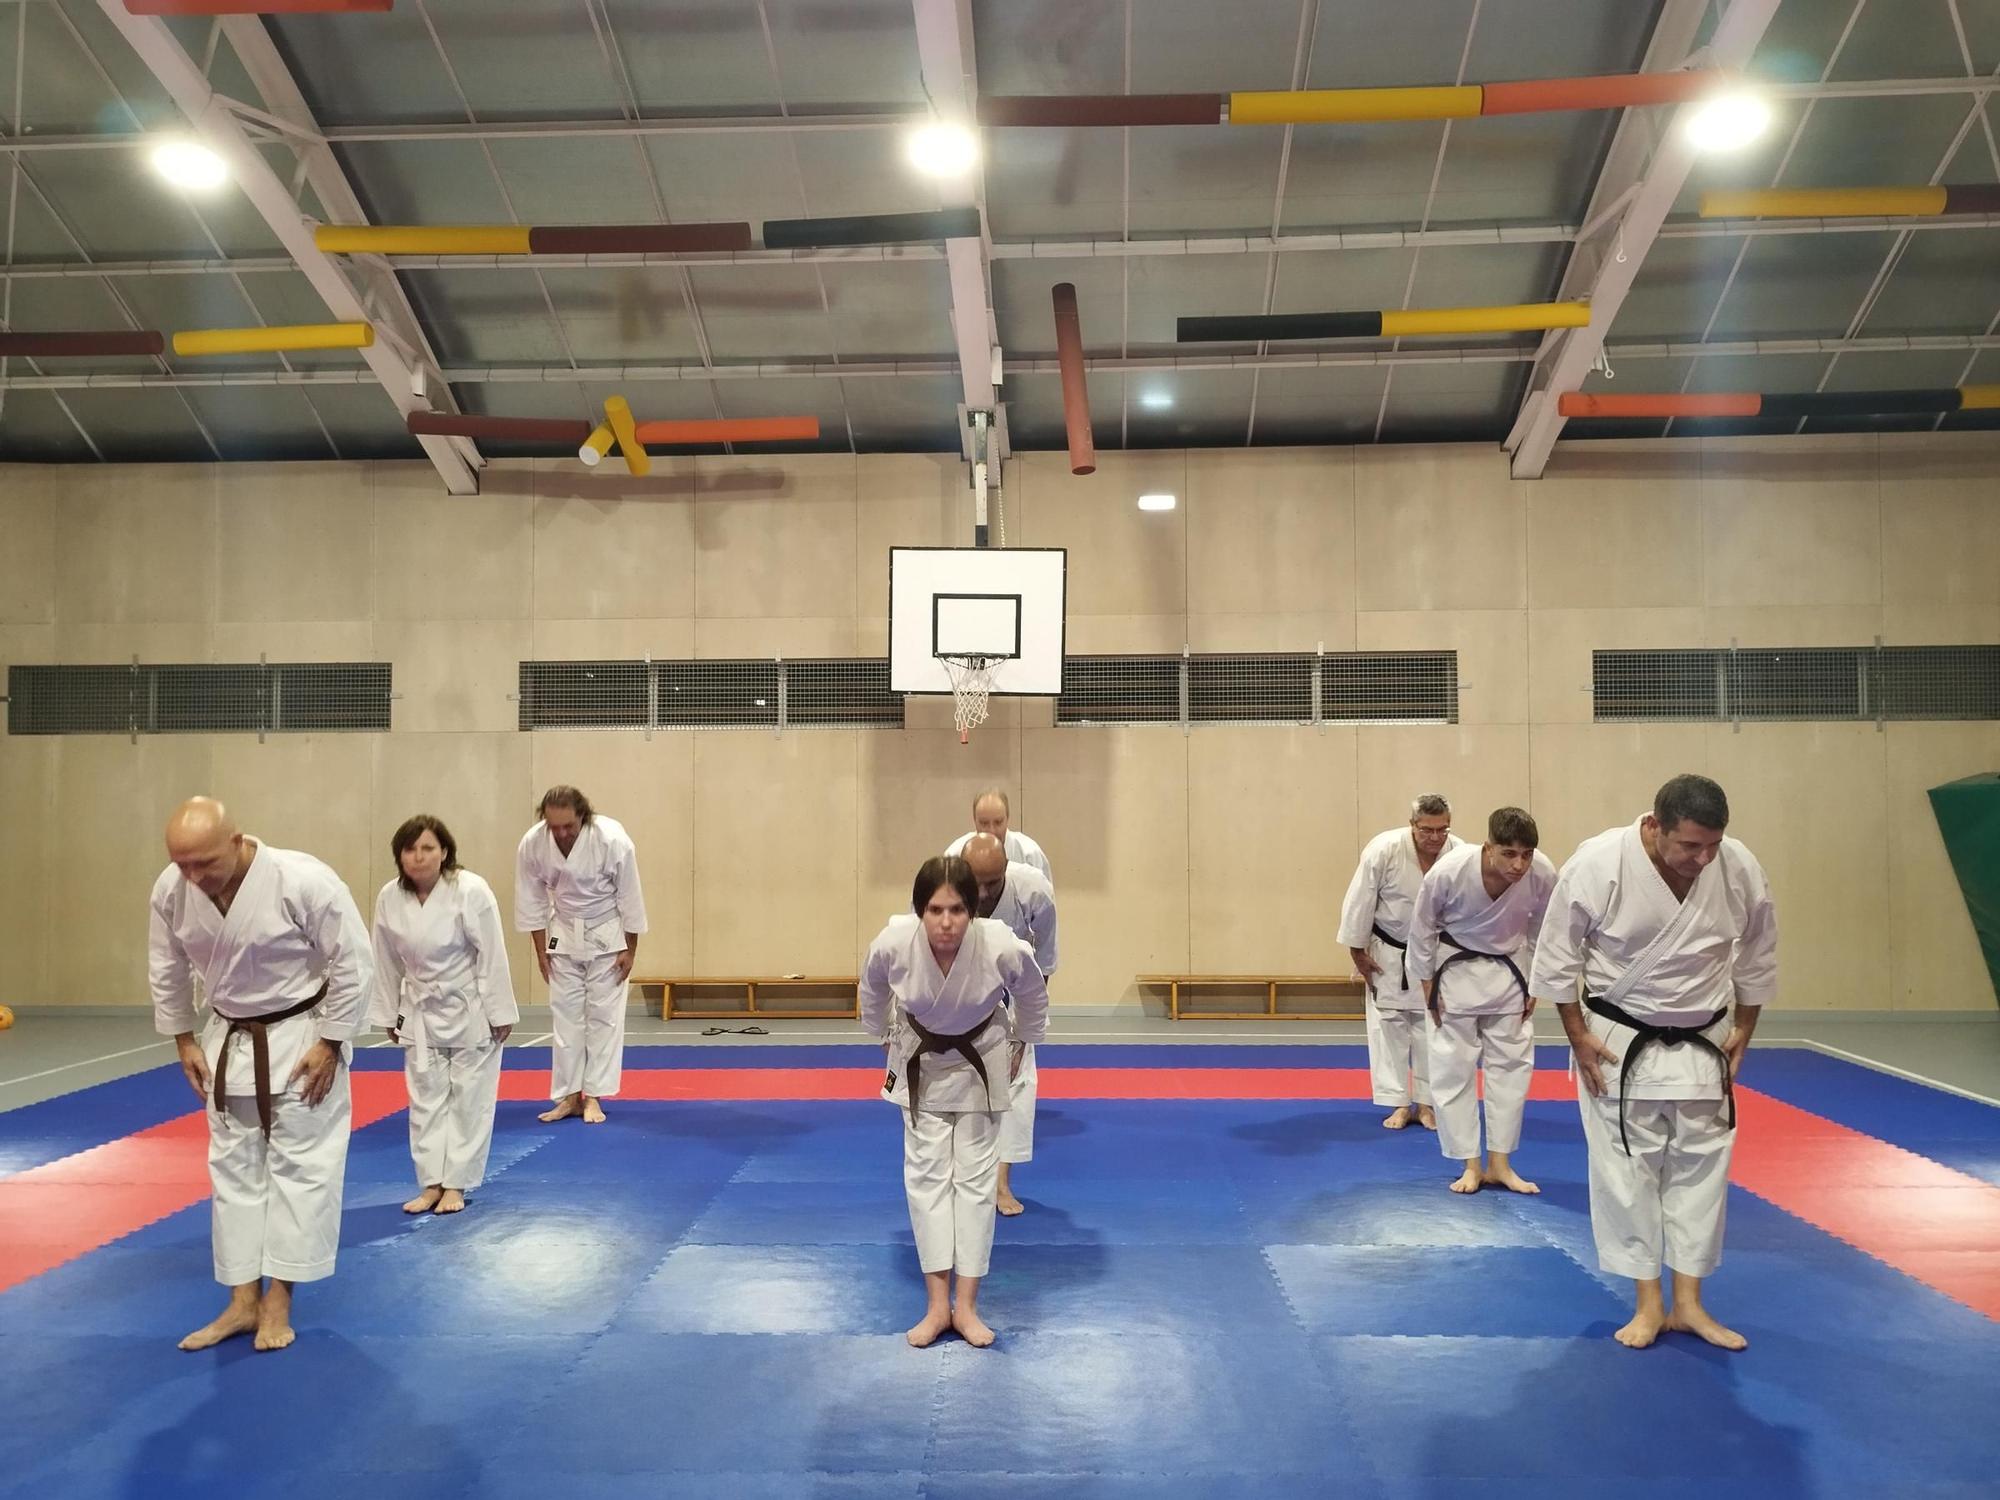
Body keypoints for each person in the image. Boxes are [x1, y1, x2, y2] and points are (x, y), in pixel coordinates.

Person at [1531, 774, 1775, 1352]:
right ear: (1654, 825)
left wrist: (1745, 1025)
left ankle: (1690, 1303)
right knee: (1628, 1173)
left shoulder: (1737, 866)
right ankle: (1648, 1303)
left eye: (1713, 844)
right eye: (1690, 845)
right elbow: (1558, 957)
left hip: (1704, 1039)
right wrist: (1577, 1037)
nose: (1703, 857)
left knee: (1701, 1170)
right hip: (1620, 1040)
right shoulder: (1599, 863)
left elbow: (1760, 950)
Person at [147, 797, 371, 1352]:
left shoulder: (302, 879)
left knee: (303, 1173)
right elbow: (166, 964)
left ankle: (279, 1300)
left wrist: (331, 1039)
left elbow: (354, 959)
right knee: (234, 1179)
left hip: (299, 1043)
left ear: (237, 840)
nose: (192, 877)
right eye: (182, 864)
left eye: (203, 863)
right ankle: (242, 1302)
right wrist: (182, 1037)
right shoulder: (171, 890)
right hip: (227, 1044)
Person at [860, 856, 1049, 1349]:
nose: (947, 923)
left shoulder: (1000, 945)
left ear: (974, 910)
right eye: (936, 910)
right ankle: (934, 1305)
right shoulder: (893, 943)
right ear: (920, 910)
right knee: (925, 1180)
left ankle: (966, 1307)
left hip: (980, 1061)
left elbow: (1032, 994)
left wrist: (1022, 1043)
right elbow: (870, 991)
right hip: (922, 1062)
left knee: (975, 1182)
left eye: (958, 910)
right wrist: (883, 1036)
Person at [370, 815, 518, 1215]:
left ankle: (457, 1184)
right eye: (410, 849)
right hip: (418, 1008)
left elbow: (491, 952)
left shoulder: (470, 890)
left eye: (427, 848)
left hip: (468, 1005)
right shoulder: (389, 897)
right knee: (425, 1101)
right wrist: (389, 1011)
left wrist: (499, 1009)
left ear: (445, 852)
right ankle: (431, 1182)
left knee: (469, 1099)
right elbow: (384, 959)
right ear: (399, 856)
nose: (418, 857)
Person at [1407, 807, 1555, 1196]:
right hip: (1454, 975)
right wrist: (1426, 983)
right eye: (1509, 853)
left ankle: (1501, 1164)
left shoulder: (1542, 873)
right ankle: (1470, 1165)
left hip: (1510, 976)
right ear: (1488, 847)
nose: (1519, 864)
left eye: (1526, 854)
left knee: (1512, 1072)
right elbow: (1421, 928)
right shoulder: (1449, 871)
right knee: (1452, 1071)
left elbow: (1545, 928)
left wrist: (1536, 982)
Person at [513, 786, 647, 1124]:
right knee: (565, 1018)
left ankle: (594, 1097)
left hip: (606, 933)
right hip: (564, 932)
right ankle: (570, 1096)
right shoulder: (533, 843)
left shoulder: (612, 838)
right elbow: (531, 900)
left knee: (604, 1017)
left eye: (568, 826)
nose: (560, 832)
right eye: (554, 826)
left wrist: (630, 950)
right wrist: (541, 952)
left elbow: (630, 896)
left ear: (583, 817)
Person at [1338, 795, 1463, 1130]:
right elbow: (1360, 900)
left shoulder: (1459, 852)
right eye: (1427, 830)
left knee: (1432, 1027)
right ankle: (1397, 1103)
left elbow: (1468, 906)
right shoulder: (1384, 849)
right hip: (1388, 950)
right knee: (1388, 1026)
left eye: (1443, 829)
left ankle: (1426, 1104)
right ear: (1412, 824)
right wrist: (1357, 951)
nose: (1436, 837)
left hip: (1436, 953)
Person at [961, 832, 1058, 1216]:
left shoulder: (1034, 891)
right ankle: (966, 1180)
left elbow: (1044, 966)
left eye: (992, 884)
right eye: (975, 883)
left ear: (1006, 871)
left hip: (1015, 986)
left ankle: (1002, 1183)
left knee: (1018, 1084)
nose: (983, 894)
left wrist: (1022, 1031)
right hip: (958, 989)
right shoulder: (943, 883)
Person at [943, 788, 1053, 887]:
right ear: (974, 820)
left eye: (998, 822)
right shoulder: (955, 855)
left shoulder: (1030, 854)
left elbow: (1046, 902)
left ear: (1007, 819)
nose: (992, 831)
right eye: (984, 823)